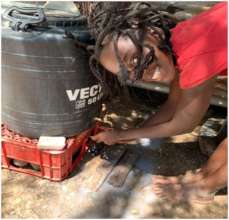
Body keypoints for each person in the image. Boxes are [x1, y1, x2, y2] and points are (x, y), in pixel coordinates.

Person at [88, 2, 227, 203]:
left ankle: (203, 187)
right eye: (130, 74)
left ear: (153, 34)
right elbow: (172, 106)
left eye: (136, 60)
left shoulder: (196, 57)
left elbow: (184, 124)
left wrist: (124, 133)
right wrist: (127, 135)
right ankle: (205, 177)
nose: (142, 73)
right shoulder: (178, 43)